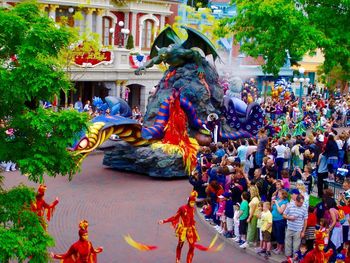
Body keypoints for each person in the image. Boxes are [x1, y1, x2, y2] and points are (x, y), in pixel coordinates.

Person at [158, 191, 200, 263]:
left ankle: (189, 261)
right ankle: (178, 259)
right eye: (191, 202)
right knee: (180, 245)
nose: (193, 204)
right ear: (189, 201)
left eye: (194, 202)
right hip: (183, 230)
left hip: (190, 230)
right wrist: (164, 221)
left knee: (192, 247)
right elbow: (174, 217)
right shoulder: (182, 208)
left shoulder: (193, 208)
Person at [282, 194, 308, 263]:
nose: (302, 204)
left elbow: (305, 220)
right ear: (296, 201)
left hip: (298, 230)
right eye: (301, 202)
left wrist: (303, 231)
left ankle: (294, 259)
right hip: (289, 228)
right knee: (288, 244)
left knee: (296, 246)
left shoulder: (304, 208)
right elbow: (284, 215)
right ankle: (288, 259)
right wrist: (289, 218)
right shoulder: (290, 205)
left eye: (303, 202)